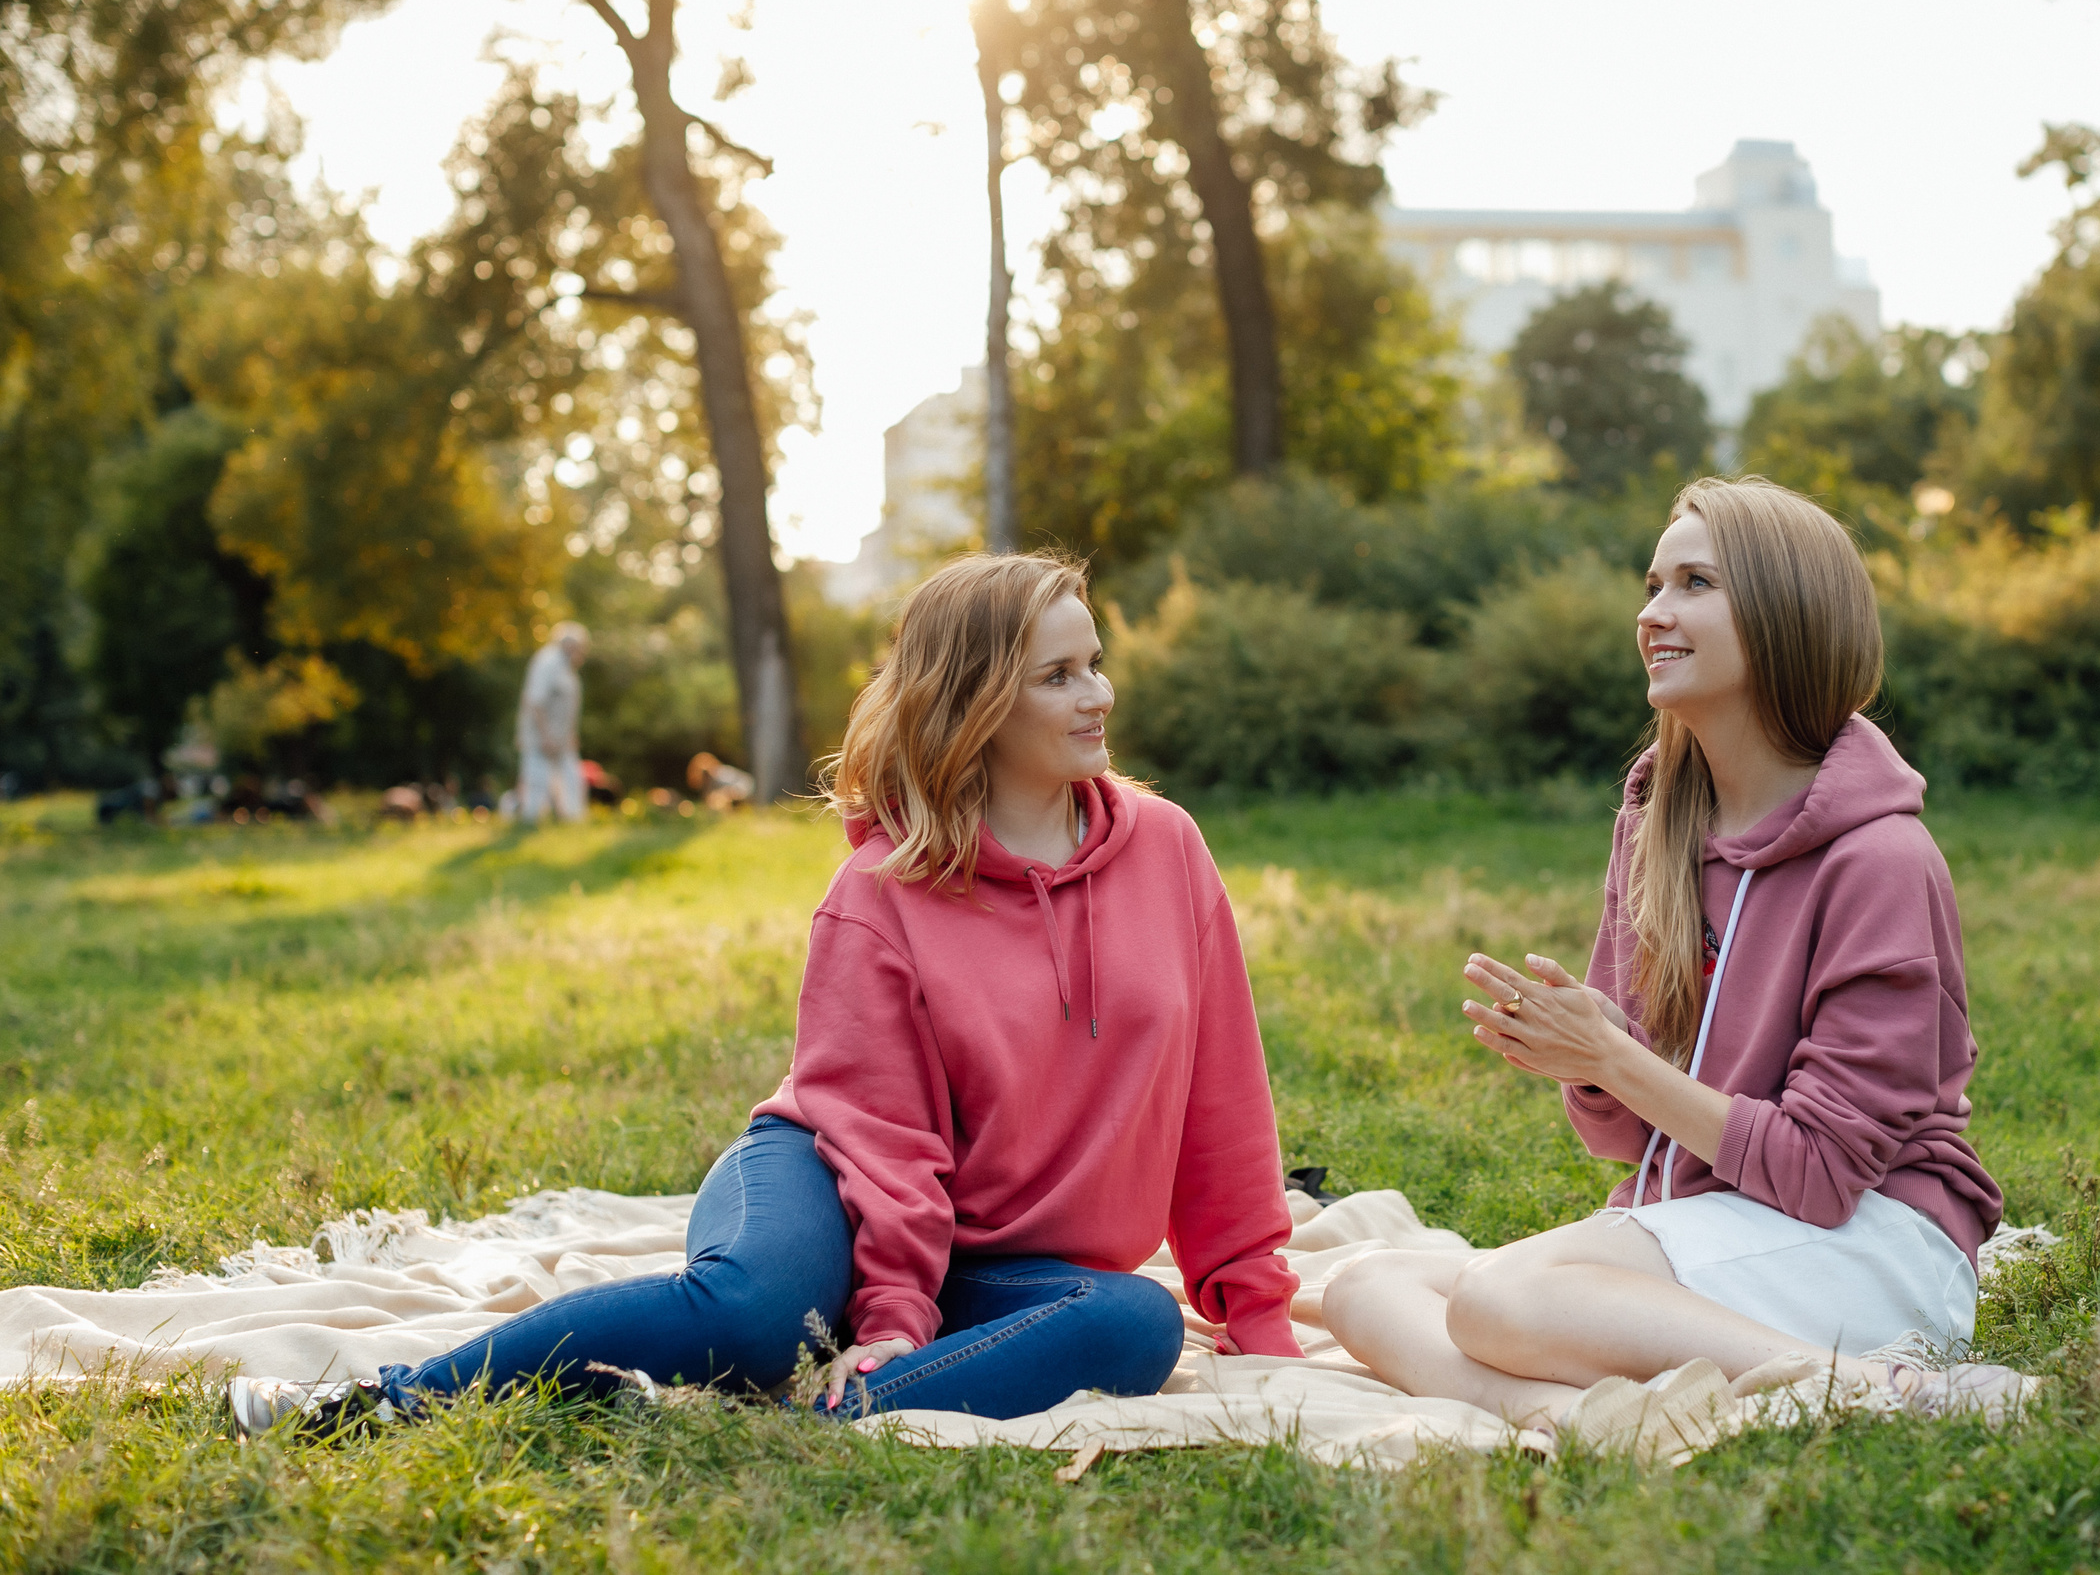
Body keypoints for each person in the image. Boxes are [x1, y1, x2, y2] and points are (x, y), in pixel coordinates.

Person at [230, 550, 1304, 1438]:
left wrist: (1256, 1314)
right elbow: (882, 1128)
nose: (1098, 694)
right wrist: (892, 1310)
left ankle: (804, 1417)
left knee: (1133, 1323)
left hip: (1006, 1261)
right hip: (829, 1177)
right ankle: (386, 1401)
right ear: (975, 701)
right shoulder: (880, 894)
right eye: (1058, 675)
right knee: (752, 1314)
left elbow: (1221, 1097)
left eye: (1095, 664)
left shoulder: (1166, 849)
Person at [1323, 476, 2033, 1429]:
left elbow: (1821, 1175)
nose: (1653, 613)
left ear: (1786, 614)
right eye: (1653, 584)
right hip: (1702, 1219)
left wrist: (1615, 1060)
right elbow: (1633, 1139)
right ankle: (1582, 1424)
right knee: (1363, 1285)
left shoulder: (1880, 860)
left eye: (1695, 583)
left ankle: (1892, 1391)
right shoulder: (1658, 830)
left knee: (1500, 1298)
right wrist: (1592, 1063)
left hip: (1873, 1240)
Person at [514, 622, 590, 823]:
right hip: (541, 736)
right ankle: (530, 820)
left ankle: (572, 820)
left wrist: (571, 734)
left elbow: (567, 708)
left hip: (561, 737)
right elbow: (535, 701)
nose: (583, 652)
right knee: (537, 781)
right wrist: (545, 735)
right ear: (569, 645)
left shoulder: (567, 667)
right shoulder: (547, 662)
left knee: (572, 778)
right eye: (581, 647)